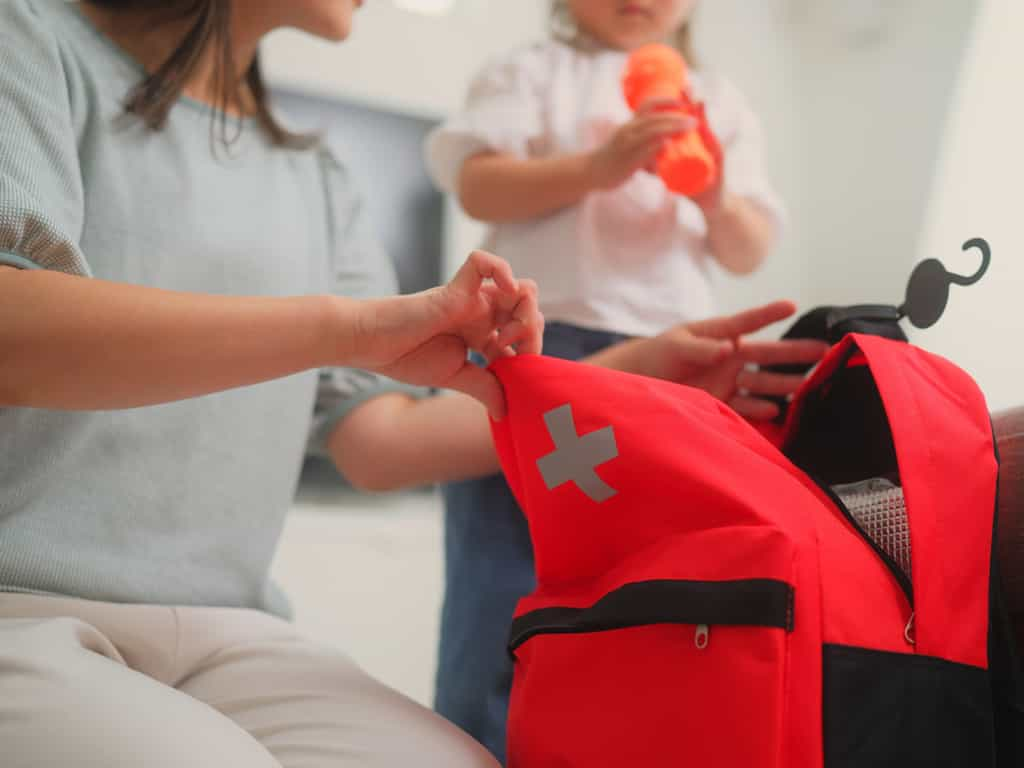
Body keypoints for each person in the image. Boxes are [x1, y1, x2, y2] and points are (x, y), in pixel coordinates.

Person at [0, 1, 823, 766]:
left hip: (234, 635)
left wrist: (641, 371)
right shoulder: (28, 40)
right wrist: (348, 329)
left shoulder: (319, 178)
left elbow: (379, 446)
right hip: (22, 611)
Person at [425, 0, 785, 759]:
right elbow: (479, 187)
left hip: (670, 362)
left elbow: (748, 248)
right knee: (501, 577)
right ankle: (476, 744)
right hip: (537, 351)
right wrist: (599, 167)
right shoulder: (533, 71)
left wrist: (714, 193)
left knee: (650, 582)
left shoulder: (717, 101)